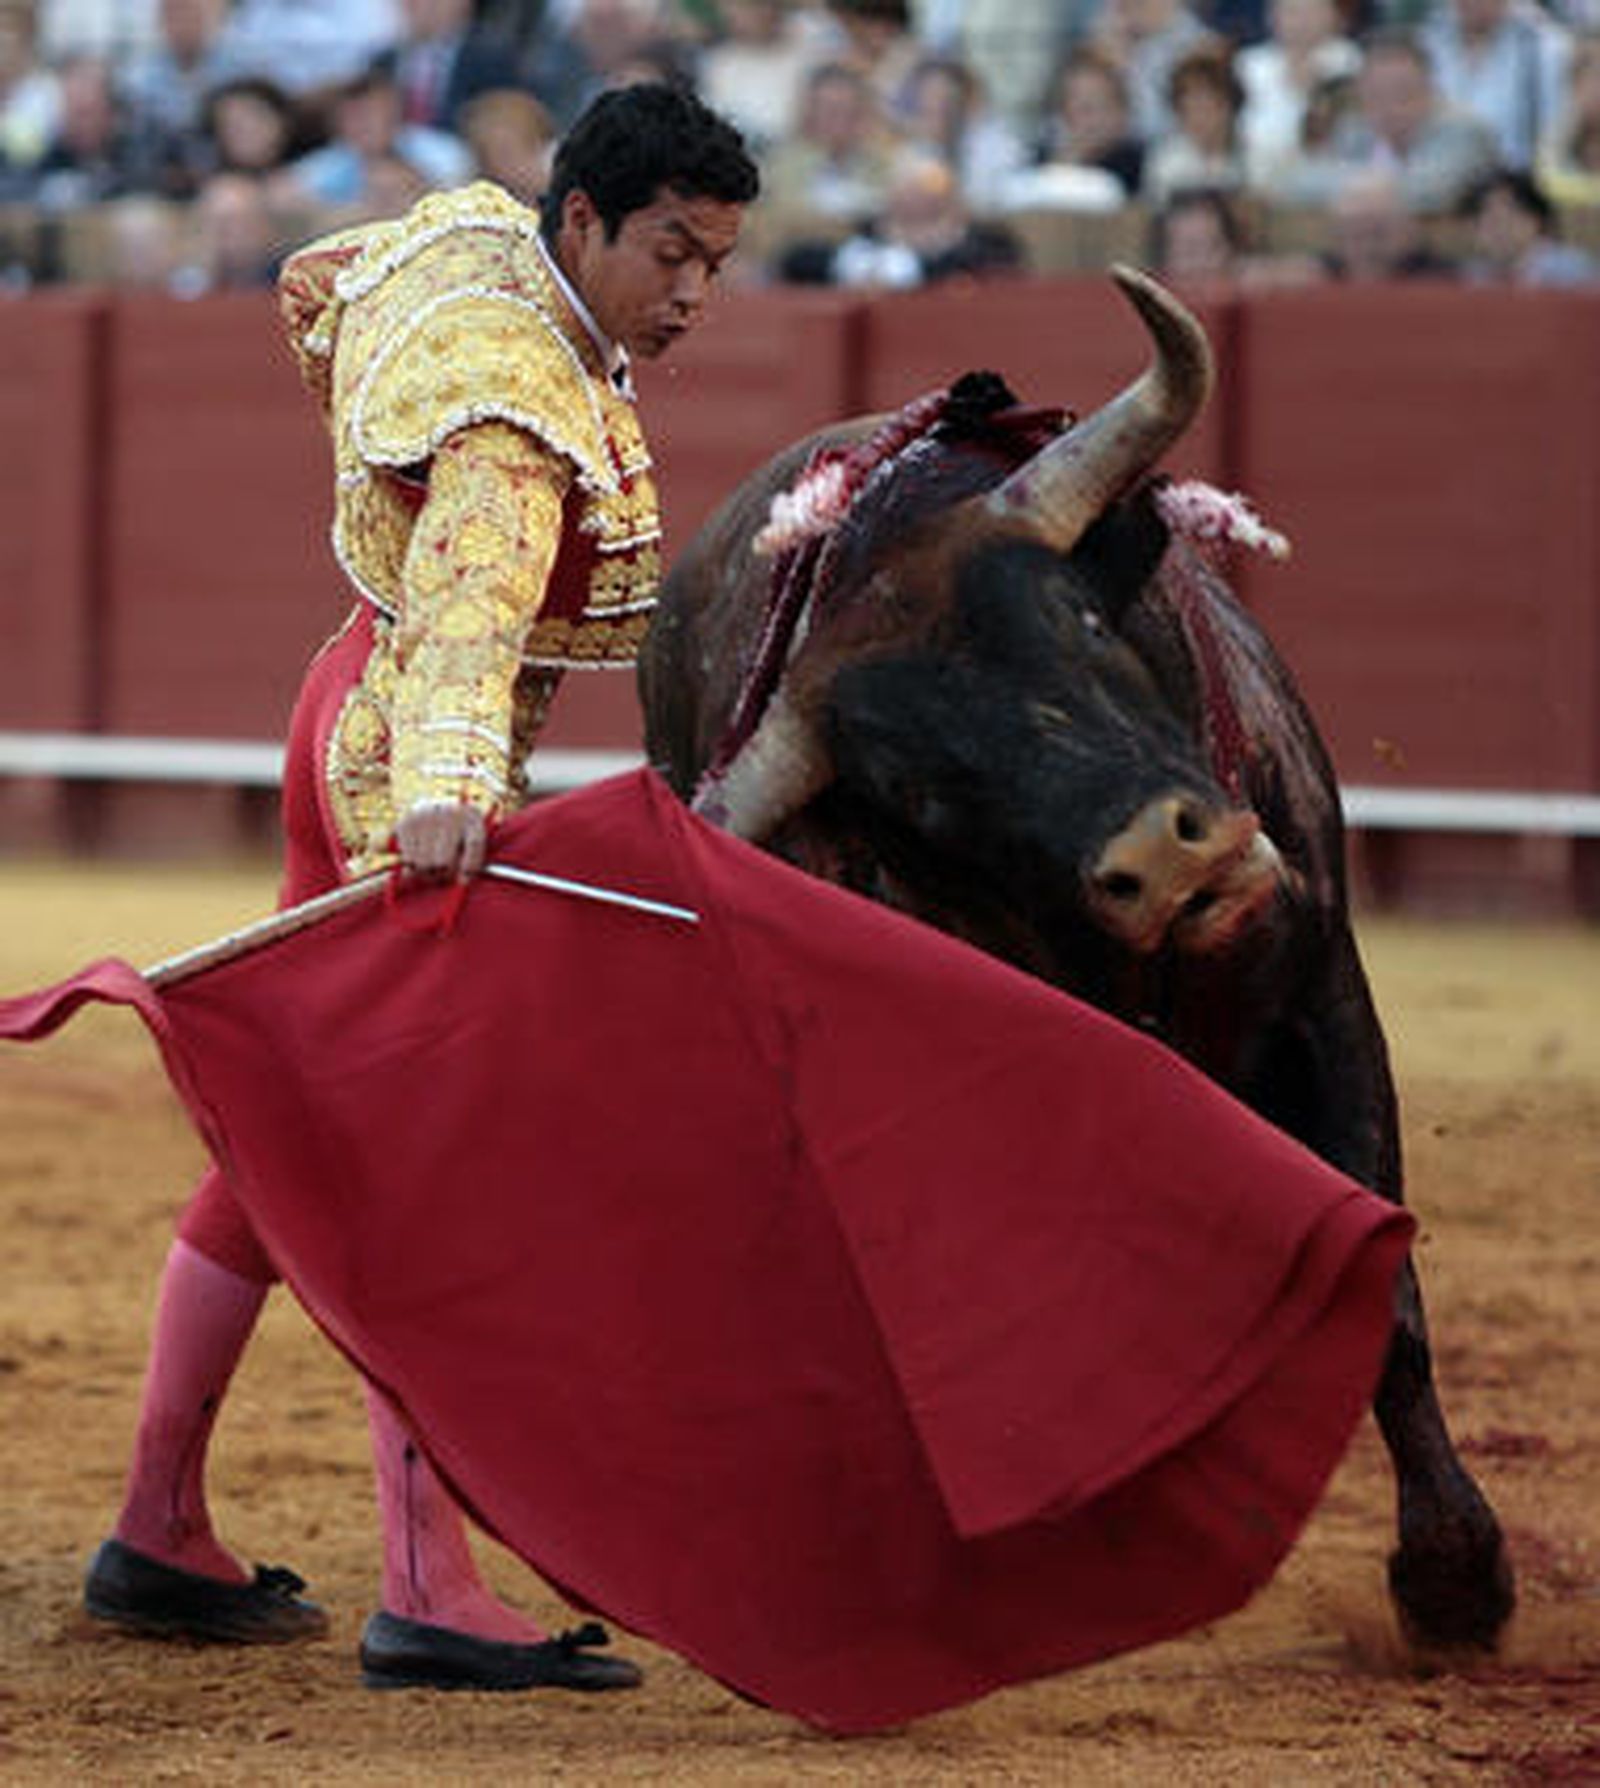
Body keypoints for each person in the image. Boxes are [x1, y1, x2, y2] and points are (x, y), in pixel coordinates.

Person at [81, 79, 760, 1695]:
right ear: (583, 219)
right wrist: (456, 787)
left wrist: (376, 450)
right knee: (420, 1167)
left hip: (340, 698)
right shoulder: (517, 404)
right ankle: (425, 1584)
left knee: (282, 1142)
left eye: (717, 264)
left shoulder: (474, 242)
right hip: (405, 760)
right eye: (671, 252)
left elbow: (316, 280)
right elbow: (470, 597)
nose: (693, 294)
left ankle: (157, 1526)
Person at [1458, 162, 1600, 281]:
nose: (1498, 229)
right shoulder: (1473, 276)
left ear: (1537, 221)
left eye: (1508, 218)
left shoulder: (1572, 272)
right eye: (1488, 220)